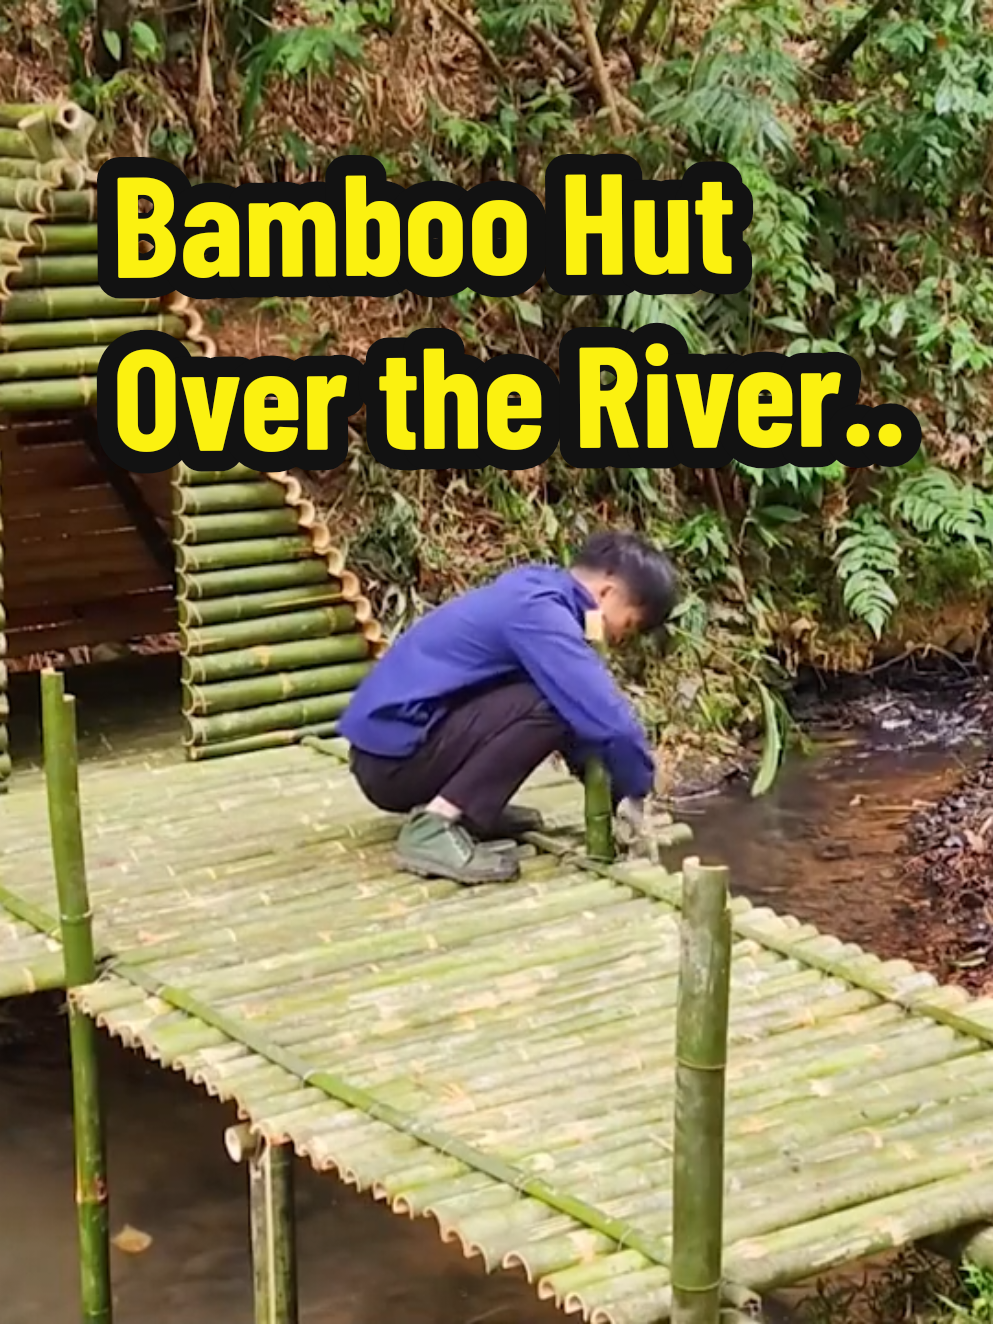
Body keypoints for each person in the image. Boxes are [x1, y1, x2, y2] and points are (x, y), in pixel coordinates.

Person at [339, 530, 680, 885]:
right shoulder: (539, 613)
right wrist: (637, 789)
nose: (620, 638)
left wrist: (613, 792)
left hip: (396, 751)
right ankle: (434, 825)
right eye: (628, 624)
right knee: (553, 701)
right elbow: (604, 716)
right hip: (393, 764)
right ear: (607, 593)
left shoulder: (540, 592)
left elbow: (584, 723)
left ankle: (469, 812)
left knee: (557, 697)